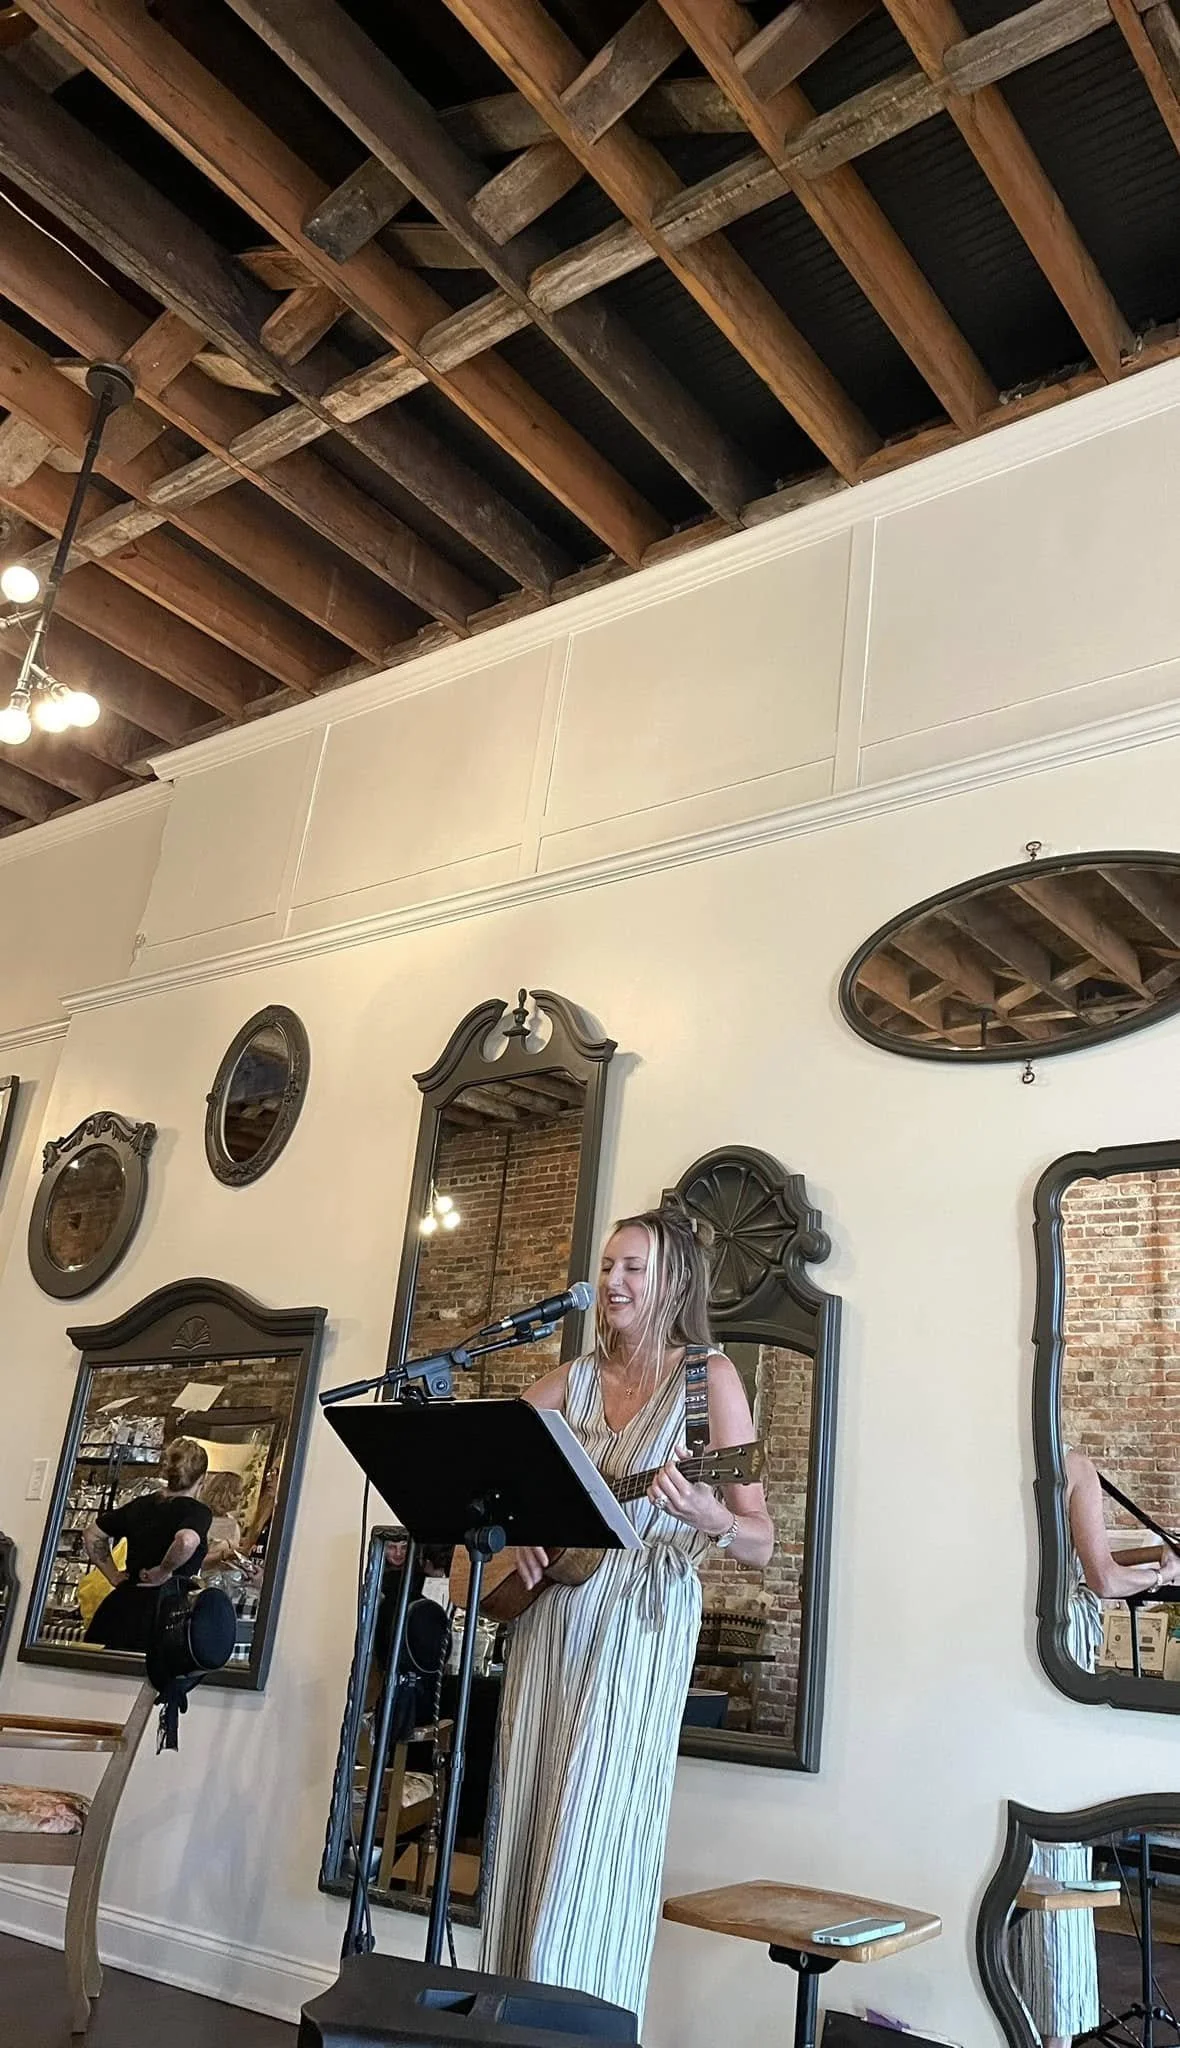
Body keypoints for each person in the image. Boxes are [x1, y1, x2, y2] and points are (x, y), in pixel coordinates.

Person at [479, 1199, 774, 2020]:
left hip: (637, 1627)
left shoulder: (704, 1381)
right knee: (530, 1817)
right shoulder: (568, 1381)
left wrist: (710, 1517)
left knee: (592, 1828)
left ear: (671, 1280)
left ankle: (575, 2021)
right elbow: (489, 1477)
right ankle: (505, 2021)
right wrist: (519, 1536)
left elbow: (759, 1537)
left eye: (631, 1268)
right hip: (549, 1625)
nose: (611, 1280)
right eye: (607, 1265)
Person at [1010, 1449, 1180, 2048]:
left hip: (1004, 1652)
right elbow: (1103, 1580)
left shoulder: (985, 1461)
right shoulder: (1071, 1465)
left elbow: (1067, 1556)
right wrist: (1160, 1576)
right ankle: (1056, 2027)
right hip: (1057, 1654)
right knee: (1060, 1844)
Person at [81, 1436, 213, 1651]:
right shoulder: (196, 1511)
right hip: (164, 1611)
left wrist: (113, 1575)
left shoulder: (141, 1505)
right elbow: (186, 1540)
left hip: (122, 1606)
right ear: (202, 1478)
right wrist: (163, 1570)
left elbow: (92, 1534)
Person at [199, 1469, 246, 1571]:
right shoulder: (203, 1519)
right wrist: (223, 1554)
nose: (242, 1498)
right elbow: (196, 1561)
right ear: (226, 1494)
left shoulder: (230, 1520)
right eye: (238, 1493)